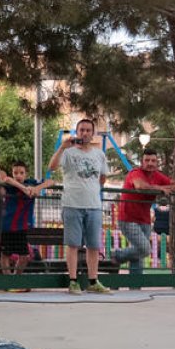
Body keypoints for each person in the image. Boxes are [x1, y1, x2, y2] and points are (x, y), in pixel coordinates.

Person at [47, 119, 111, 295]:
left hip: (94, 205)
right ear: (77, 132)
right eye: (81, 130)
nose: (85, 133)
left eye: (88, 130)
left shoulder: (99, 154)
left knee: (94, 246)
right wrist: (62, 147)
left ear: (93, 133)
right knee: (73, 244)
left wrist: (92, 189)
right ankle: (73, 281)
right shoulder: (68, 152)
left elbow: (103, 177)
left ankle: (93, 280)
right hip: (72, 204)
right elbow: (51, 167)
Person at [111, 148, 175, 276]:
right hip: (127, 218)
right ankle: (118, 255)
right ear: (142, 162)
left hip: (145, 220)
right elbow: (140, 186)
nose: (150, 163)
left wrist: (164, 187)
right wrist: (161, 188)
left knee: (138, 254)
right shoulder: (135, 172)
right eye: (147, 160)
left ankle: (135, 284)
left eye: (153, 160)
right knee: (145, 249)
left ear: (157, 162)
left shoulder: (158, 175)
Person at [0, 162, 51, 287]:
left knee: (24, 256)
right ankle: (7, 282)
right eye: (15, 173)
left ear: (26, 174)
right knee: (5, 254)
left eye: (21, 173)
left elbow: (51, 181)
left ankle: (16, 280)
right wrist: (23, 188)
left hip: (22, 226)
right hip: (7, 224)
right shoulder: (10, 185)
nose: (18, 175)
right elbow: (6, 179)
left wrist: (37, 188)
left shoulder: (32, 182)